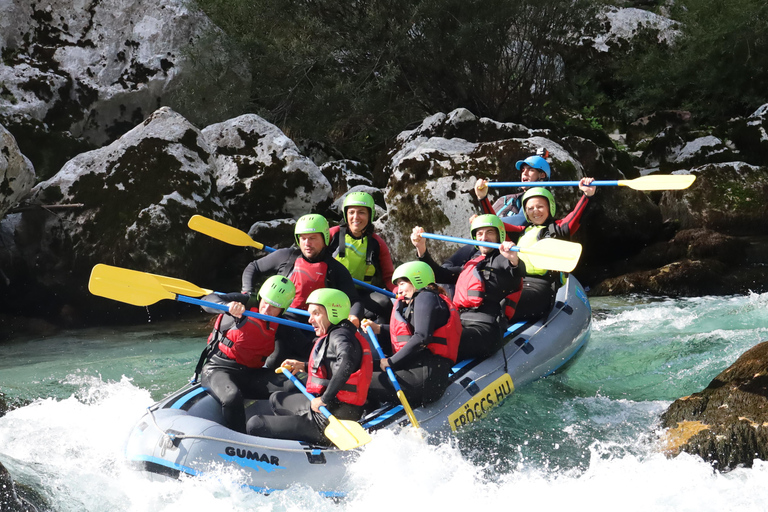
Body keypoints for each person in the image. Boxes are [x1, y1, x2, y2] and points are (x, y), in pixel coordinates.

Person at [246, 288, 373, 444]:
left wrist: (324, 399)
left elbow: (346, 362)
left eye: (316, 313)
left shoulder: (340, 336)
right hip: (334, 407)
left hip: (328, 420)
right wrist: (303, 366)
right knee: (276, 399)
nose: (310, 320)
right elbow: (331, 364)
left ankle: (298, 442)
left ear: (333, 313)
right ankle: (294, 432)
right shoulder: (340, 331)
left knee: (255, 424)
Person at [241, 213, 364, 366]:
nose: (307, 243)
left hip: (313, 326)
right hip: (282, 320)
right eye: (303, 238)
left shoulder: (336, 269)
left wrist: (354, 317)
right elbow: (253, 267)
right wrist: (248, 293)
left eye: (312, 238)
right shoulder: (285, 256)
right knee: (274, 359)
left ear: (325, 239)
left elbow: (354, 300)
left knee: (310, 353)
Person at [411, 214, 524, 361]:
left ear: (499, 235)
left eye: (490, 232)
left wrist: (513, 258)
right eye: (480, 233)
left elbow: (518, 270)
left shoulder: (502, 259)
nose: (484, 237)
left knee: (439, 342)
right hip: (461, 322)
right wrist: (422, 249)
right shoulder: (473, 262)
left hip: (485, 330)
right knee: (424, 335)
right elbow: (440, 275)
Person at [196, 275, 296, 434]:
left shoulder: (282, 323)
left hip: (251, 374)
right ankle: (239, 439)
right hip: (218, 368)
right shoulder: (245, 302)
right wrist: (227, 306)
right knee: (231, 396)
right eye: (265, 301)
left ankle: (289, 429)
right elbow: (207, 300)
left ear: (283, 309)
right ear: (260, 296)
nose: (266, 309)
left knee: (293, 384)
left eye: (274, 306)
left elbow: (306, 346)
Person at [361, 261, 462, 408]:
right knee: (362, 368)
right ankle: (373, 413)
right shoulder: (424, 300)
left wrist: (391, 362)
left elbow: (422, 337)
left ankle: (370, 420)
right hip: (421, 372)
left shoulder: (425, 297)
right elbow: (410, 331)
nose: (398, 289)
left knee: (358, 379)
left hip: (424, 378)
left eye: (402, 283)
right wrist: (378, 328)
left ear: (417, 279)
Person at [504, 179, 596, 323]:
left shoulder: (558, 229)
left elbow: (576, 215)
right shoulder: (523, 231)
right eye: (530, 208)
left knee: (505, 302)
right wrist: (482, 204)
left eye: (540, 206)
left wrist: (587, 195)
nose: (535, 211)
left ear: (549, 208)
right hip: (518, 283)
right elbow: (495, 226)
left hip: (542, 289)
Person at [328, 191, 395, 322]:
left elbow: (389, 277)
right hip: (332, 291)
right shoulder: (333, 234)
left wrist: (402, 290)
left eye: (361, 212)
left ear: (370, 215)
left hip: (361, 294)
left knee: (385, 304)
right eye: (351, 212)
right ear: (345, 215)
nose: (356, 217)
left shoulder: (377, 243)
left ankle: (380, 335)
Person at [474, 154, 551, 226]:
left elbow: (520, 220)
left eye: (531, 170)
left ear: (542, 175)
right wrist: (482, 198)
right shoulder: (509, 199)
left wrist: (484, 221)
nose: (524, 173)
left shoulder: (542, 197)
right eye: (523, 170)